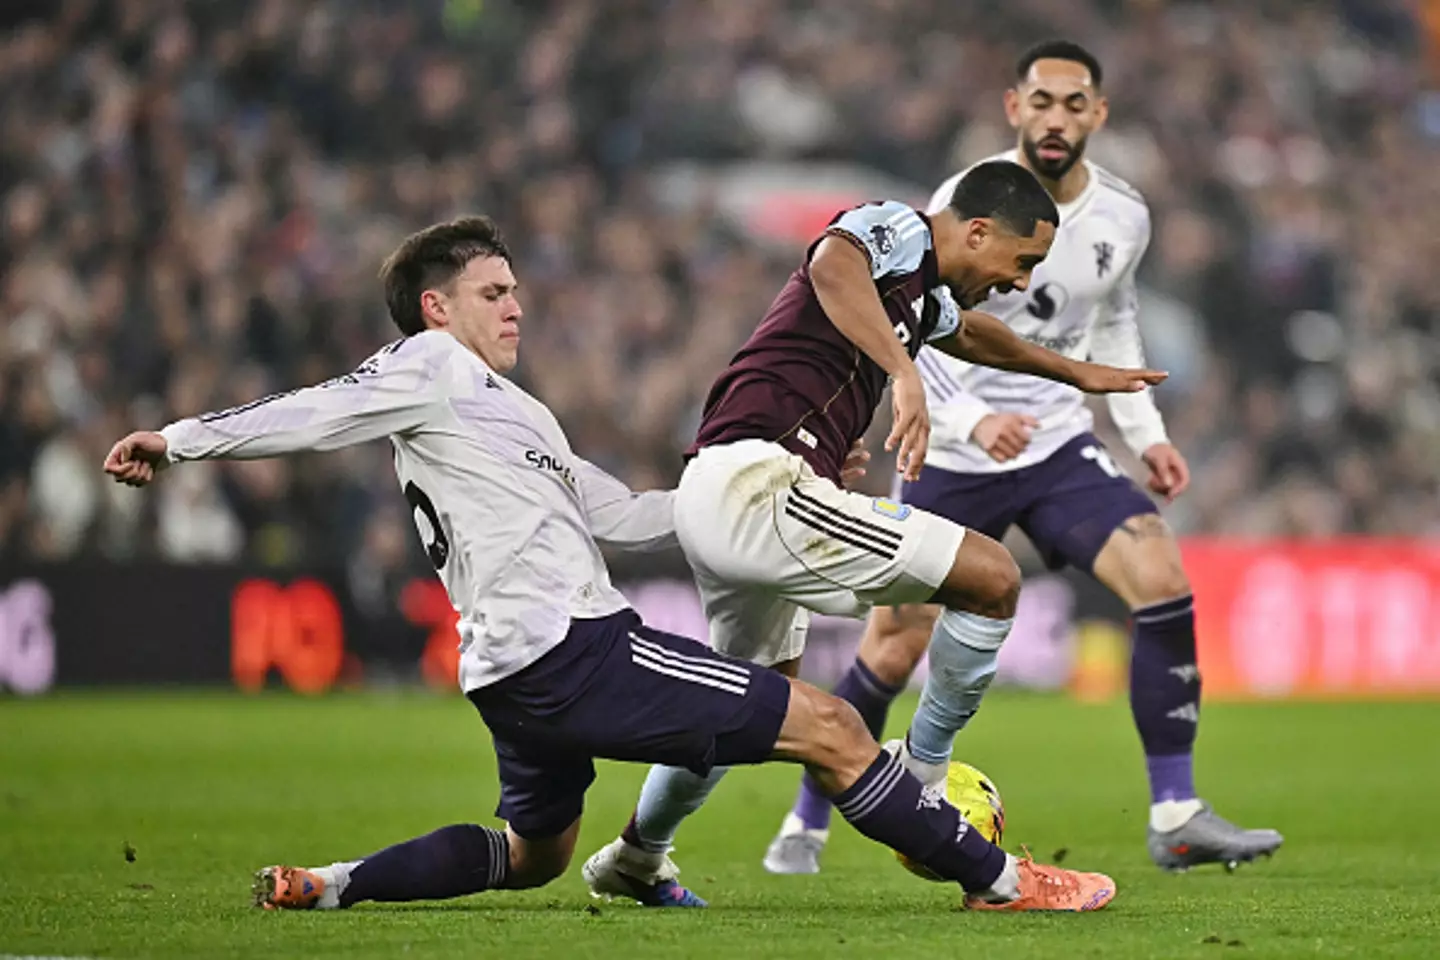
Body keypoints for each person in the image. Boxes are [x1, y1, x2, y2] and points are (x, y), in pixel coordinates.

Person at [102, 215, 1117, 913]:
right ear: (435, 305)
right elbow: (314, 411)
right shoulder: (426, 367)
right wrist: (179, 439)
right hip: (571, 650)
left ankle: (328, 884)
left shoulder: (513, 410)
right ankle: (997, 879)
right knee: (833, 727)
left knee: (533, 857)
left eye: (516, 293)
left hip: (506, 670)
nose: (515, 309)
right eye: (493, 293)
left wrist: (751, 486)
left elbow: (625, 514)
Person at [763, 40, 1283, 878]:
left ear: (1097, 115)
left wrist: (1145, 435)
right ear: (1015, 108)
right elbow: (918, 323)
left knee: (1162, 579)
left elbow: (1111, 326)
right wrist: (968, 414)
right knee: (893, 648)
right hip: (959, 454)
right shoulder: (966, 199)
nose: (1056, 117)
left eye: (1074, 104)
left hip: (1059, 445)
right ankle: (808, 819)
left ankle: (1177, 813)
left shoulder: (1125, 215)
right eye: (1042, 101)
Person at [582, 162, 1166, 905]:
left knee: (748, 705)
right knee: (991, 578)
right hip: (756, 487)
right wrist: (902, 373)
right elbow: (832, 263)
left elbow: (980, 339)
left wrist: (1076, 374)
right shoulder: (898, 229)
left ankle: (637, 857)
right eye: (1020, 263)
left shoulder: (922, 304)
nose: (1020, 284)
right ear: (978, 230)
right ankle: (928, 779)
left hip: (730, 485)